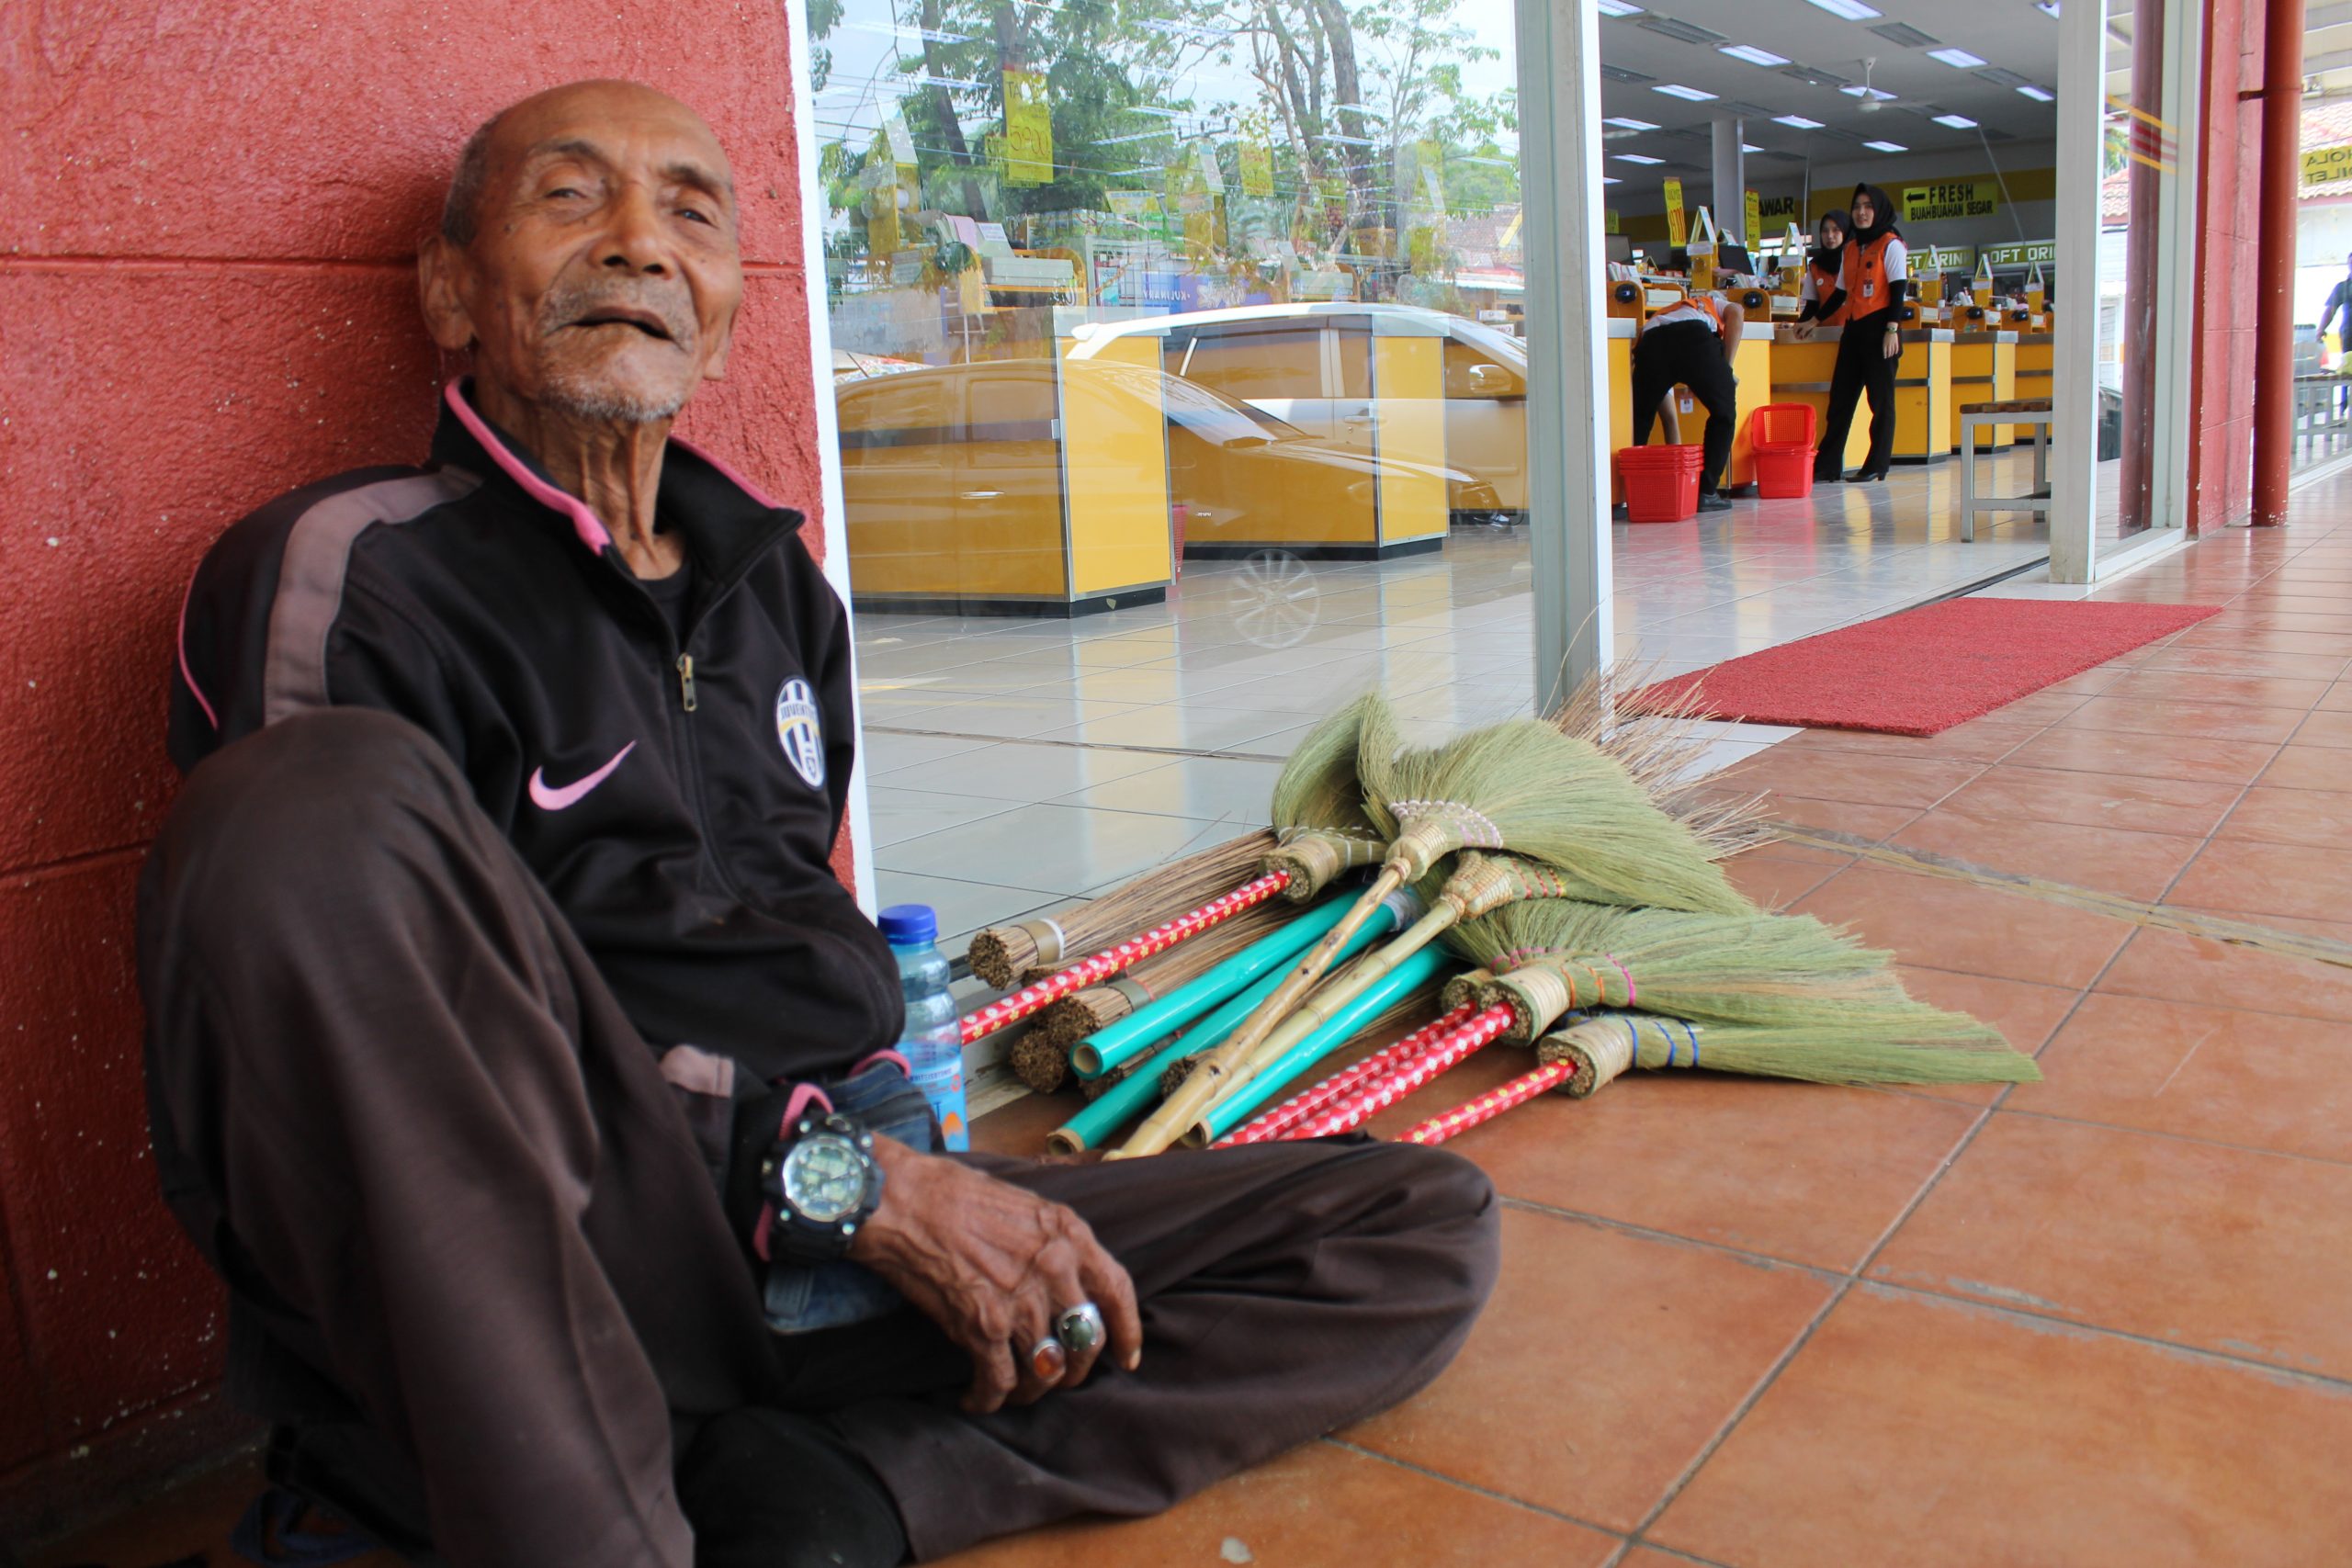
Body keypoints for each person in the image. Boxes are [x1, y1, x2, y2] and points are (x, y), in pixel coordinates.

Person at [140, 80, 1498, 1568]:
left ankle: (834, 1486)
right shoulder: (365, 574)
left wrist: (908, 1167)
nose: (642, 245)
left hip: (835, 1224)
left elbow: (794, 922)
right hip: (580, 1254)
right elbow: (384, 1060)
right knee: (301, 812)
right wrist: (845, 1185)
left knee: (1409, 1223)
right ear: (452, 292)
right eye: (572, 199)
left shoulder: (780, 593)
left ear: (723, 315)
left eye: (692, 213)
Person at [1804, 183, 1909, 484]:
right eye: (1857, 207)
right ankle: (1827, 465)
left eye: (1867, 207)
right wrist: (1814, 320)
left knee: (1880, 401)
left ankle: (1877, 463)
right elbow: (1839, 294)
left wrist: (1892, 329)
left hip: (1880, 328)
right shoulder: (1851, 247)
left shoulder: (1891, 244)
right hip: (1853, 329)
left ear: (1878, 210)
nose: (1861, 213)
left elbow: (1898, 290)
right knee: (1841, 399)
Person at [1628, 283, 1746, 513]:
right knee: (1724, 415)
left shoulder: (1669, 312)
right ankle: (1707, 492)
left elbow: (1668, 416)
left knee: (1639, 420)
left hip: (1649, 345)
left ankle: (1630, 492)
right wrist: (1726, 370)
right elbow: (1737, 314)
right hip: (1693, 337)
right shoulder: (1714, 304)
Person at [1792, 209, 1851, 331]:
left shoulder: (1855, 261)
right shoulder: (1815, 266)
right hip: (1824, 336)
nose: (1829, 236)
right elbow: (1811, 307)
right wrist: (1797, 326)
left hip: (1853, 334)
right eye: (1825, 231)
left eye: (1836, 230)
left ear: (1845, 232)